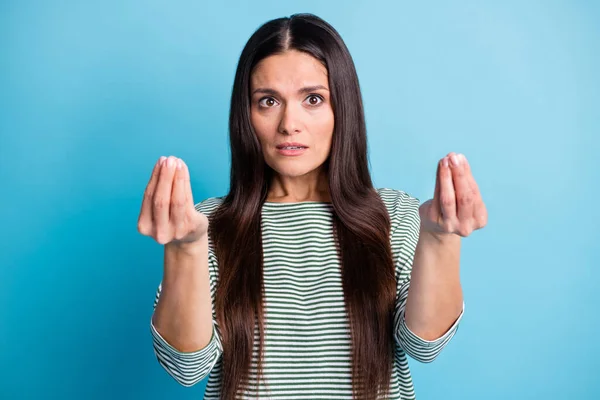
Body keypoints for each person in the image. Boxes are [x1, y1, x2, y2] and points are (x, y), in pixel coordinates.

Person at [137, 13, 487, 400]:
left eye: (313, 99)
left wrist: (440, 239)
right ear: (245, 115)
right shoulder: (208, 224)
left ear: (344, 110)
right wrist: (184, 249)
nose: (289, 123)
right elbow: (187, 368)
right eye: (268, 101)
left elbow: (425, 346)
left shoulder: (396, 215)